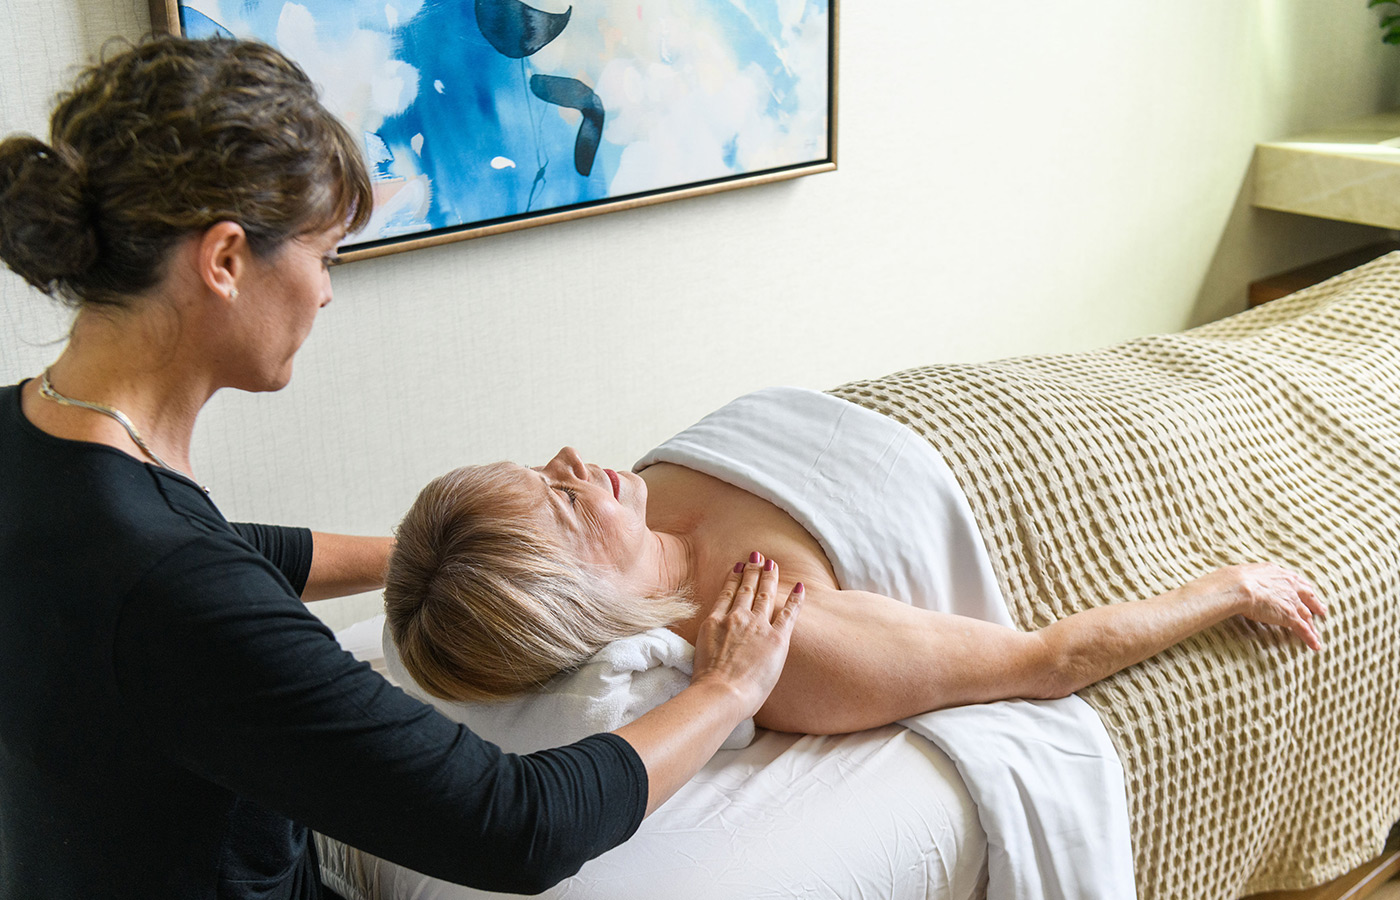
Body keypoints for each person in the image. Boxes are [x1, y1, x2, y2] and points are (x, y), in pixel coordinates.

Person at [0, 35, 802, 900]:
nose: (326, 293)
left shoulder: (38, 444)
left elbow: (212, 548)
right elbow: (517, 827)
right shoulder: (179, 594)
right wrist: (727, 685)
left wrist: (436, 554)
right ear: (225, 261)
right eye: (322, 257)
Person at [386, 414, 1326, 736]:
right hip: (1038, 477)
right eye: (559, 496)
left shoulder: (631, 508)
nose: (569, 456)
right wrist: (1233, 585)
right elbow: (1044, 660)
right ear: (570, 595)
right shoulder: (772, 634)